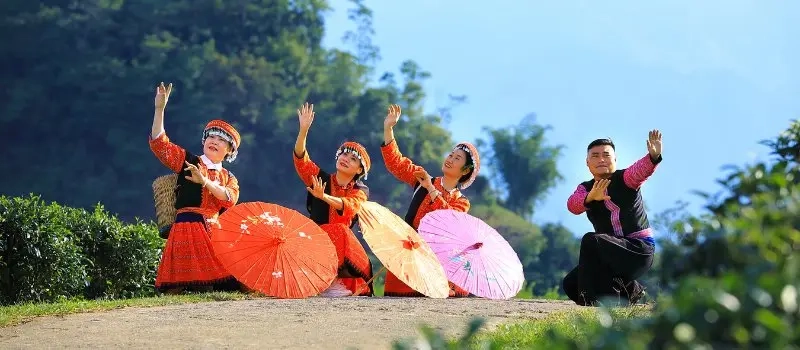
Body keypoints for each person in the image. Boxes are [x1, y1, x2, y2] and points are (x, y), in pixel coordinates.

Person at [149, 82, 243, 294]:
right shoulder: (188, 161)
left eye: (221, 140)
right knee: (178, 288)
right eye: (211, 136)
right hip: (186, 227)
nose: (214, 141)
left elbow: (229, 199)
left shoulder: (229, 177)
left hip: (214, 232)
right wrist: (159, 109)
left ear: (229, 151)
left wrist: (205, 182)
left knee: (219, 286)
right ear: (204, 141)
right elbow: (160, 145)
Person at [380, 104, 480, 297]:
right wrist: (388, 129)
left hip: (437, 255)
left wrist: (431, 189)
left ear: (466, 170)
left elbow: (449, 219)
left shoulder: (462, 202)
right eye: (451, 155)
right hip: (411, 248)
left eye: (457, 158)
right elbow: (397, 163)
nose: (450, 159)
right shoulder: (423, 178)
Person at [562, 130, 663, 306]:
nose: (601, 159)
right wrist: (591, 197)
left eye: (606, 155)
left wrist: (653, 157)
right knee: (571, 284)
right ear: (587, 163)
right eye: (595, 156)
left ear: (615, 159)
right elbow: (572, 206)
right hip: (609, 255)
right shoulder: (585, 188)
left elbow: (641, 170)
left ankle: (589, 302)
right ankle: (630, 291)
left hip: (637, 250)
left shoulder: (626, 179)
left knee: (591, 240)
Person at [293, 102, 374, 297]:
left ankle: (333, 281)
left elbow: (350, 207)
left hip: (343, 250)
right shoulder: (320, 178)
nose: (345, 158)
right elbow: (301, 160)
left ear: (359, 170)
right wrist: (303, 131)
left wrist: (324, 197)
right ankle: (320, 280)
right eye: (344, 154)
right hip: (315, 242)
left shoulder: (360, 190)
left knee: (339, 230)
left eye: (353, 159)